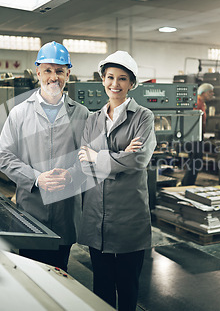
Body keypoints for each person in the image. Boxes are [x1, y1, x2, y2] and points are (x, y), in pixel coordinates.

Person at [0, 41, 89, 271]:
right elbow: (4, 155)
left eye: (59, 71)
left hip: (65, 213)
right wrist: (36, 179)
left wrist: (71, 176)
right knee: (31, 276)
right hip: (31, 211)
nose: (53, 77)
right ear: (38, 72)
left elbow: (90, 159)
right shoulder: (19, 112)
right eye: (47, 70)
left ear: (68, 73)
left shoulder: (82, 114)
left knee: (60, 276)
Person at [77, 51, 156, 311]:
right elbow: (83, 163)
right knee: (101, 287)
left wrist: (98, 157)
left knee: (128, 287)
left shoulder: (143, 117)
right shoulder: (92, 119)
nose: (115, 84)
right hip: (96, 215)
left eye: (123, 78)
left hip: (128, 216)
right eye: (110, 77)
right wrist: (119, 157)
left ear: (132, 83)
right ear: (102, 79)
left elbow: (139, 159)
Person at [180, 82, 214, 186]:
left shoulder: (202, 103)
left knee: (195, 161)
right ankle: (187, 184)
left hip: (198, 135)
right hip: (193, 136)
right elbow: (192, 119)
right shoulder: (197, 102)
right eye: (210, 92)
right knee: (196, 161)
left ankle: (186, 183)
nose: (212, 94)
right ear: (203, 92)